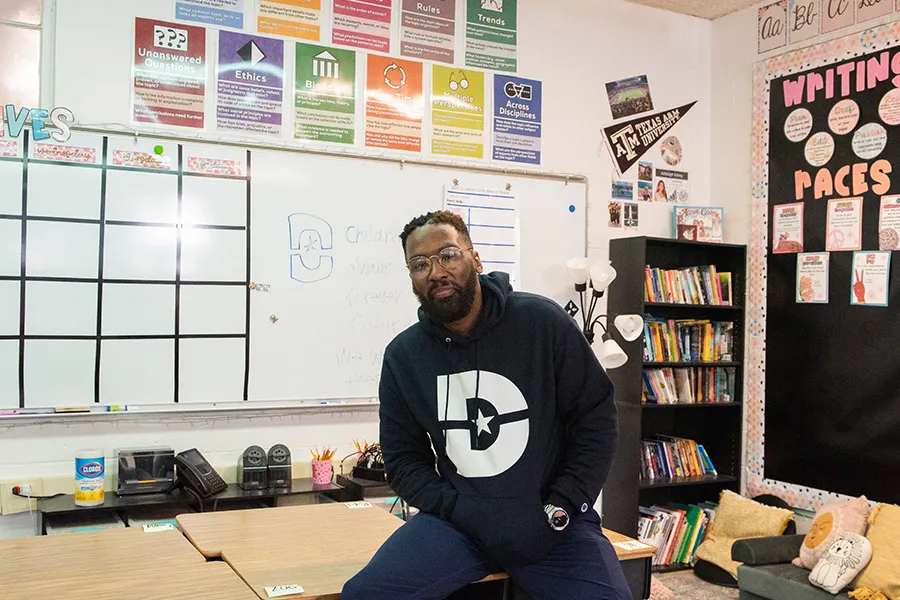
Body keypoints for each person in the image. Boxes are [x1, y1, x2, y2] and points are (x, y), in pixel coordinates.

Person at [342, 211, 630, 600]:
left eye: (448, 254)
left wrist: (561, 504)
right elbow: (404, 459)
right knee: (364, 595)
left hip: (550, 523)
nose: (436, 271)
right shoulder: (403, 357)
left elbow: (595, 420)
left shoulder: (542, 323)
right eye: (419, 264)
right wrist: (458, 509)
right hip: (458, 525)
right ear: (411, 277)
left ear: (475, 258)